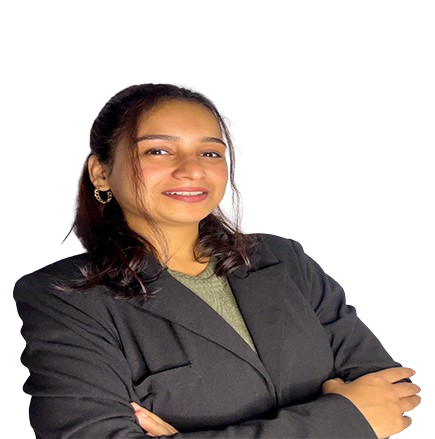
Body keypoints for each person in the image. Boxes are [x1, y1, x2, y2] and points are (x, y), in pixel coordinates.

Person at [14, 83, 420, 439]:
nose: (192, 170)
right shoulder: (65, 298)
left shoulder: (283, 260)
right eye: (158, 150)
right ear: (101, 173)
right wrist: (342, 419)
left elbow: (392, 395)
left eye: (210, 152)